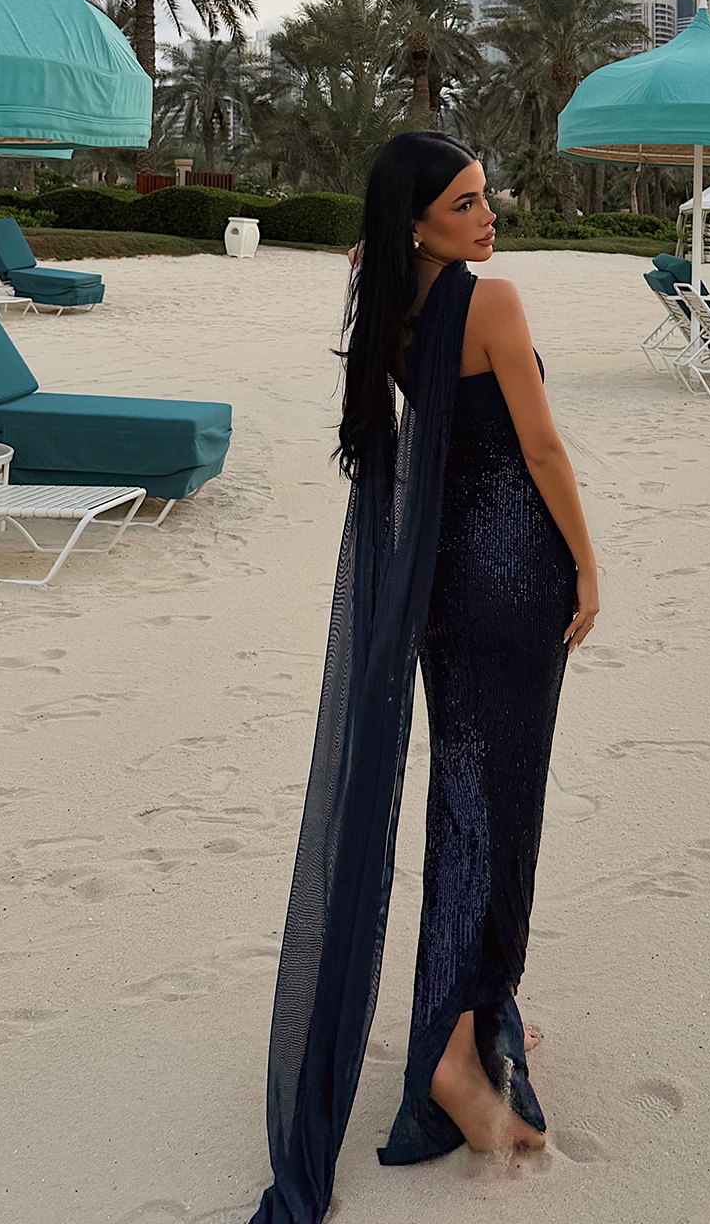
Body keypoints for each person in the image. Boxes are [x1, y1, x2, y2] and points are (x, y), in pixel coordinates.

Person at [249, 132, 599, 1223]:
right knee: (503, 805)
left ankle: (474, 1010)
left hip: (442, 581)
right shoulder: (492, 303)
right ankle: (455, 1049)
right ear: (419, 223)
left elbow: (379, 268)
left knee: (465, 795)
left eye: (486, 197)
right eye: (464, 204)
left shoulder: (384, 298)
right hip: (515, 572)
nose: (488, 216)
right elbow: (544, 452)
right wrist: (589, 565)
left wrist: (391, 244)